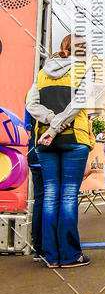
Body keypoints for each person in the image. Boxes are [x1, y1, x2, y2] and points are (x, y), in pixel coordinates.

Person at [25, 34, 96, 268]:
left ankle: (50, 256)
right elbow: (77, 105)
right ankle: (69, 256)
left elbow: (31, 104)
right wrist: (57, 125)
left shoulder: (43, 73)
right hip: (74, 139)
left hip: (44, 142)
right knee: (67, 197)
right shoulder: (84, 70)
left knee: (50, 197)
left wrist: (49, 122)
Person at [23, 108, 44, 261]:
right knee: (55, 199)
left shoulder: (30, 97)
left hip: (34, 151)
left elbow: (27, 126)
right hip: (49, 151)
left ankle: (39, 248)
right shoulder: (51, 92)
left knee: (40, 200)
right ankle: (53, 245)